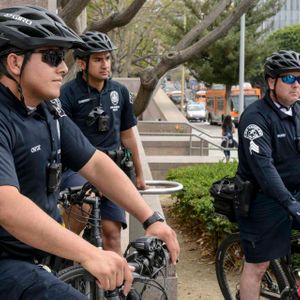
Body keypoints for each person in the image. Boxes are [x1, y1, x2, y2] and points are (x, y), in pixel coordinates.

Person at [0, 5, 179, 300]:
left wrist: (151, 218)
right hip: (9, 264)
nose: (63, 68)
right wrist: (88, 252)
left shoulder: (47, 110)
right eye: (53, 57)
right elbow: (7, 205)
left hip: (44, 258)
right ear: (15, 62)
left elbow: (96, 163)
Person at [59, 31, 148, 255]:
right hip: (78, 168)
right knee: (84, 204)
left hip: (113, 168)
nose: (105, 64)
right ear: (82, 62)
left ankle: (112, 289)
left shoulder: (120, 91)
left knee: (112, 235)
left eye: (107, 58)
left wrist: (139, 174)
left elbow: (128, 135)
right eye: (98, 59)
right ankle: (65, 258)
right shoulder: (66, 94)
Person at [236, 50, 300, 300]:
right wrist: (289, 203)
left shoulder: (297, 112)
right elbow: (264, 168)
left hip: (293, 193)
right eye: (288, 79)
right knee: (257, 266)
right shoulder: (255, 118)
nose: (296, 84)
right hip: (263, 198)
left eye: (299, 78)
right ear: (271, 82)